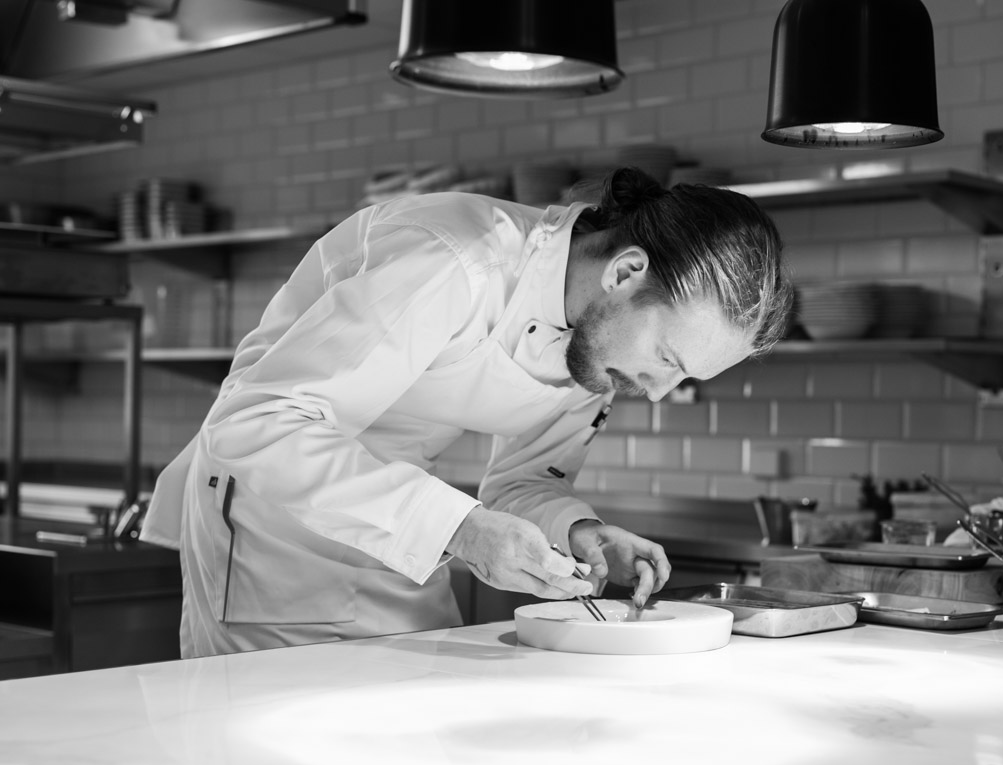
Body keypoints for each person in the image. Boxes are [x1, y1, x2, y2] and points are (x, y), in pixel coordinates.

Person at [140, 166, 794, 658]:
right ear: (625, 272)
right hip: (271, 540)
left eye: (682, 377)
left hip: (408, 546)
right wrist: (458, 527)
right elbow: (256, 422)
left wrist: (578, 531)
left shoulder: (600, 347)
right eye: (667, 358)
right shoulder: (453, 260)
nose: (655, 392)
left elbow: (520, 484)